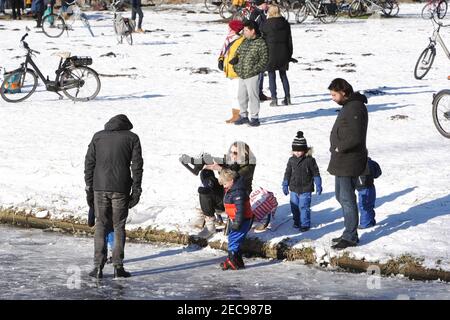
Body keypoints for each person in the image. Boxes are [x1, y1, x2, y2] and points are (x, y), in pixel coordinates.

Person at [84, 114, 143, 278]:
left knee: (101, 224)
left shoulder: (98, 137)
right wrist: (136, 190)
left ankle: (97, 268)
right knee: (118, 226)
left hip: (99, 187)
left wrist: (89, 187)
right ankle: (118, 267)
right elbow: (137, 166)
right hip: (121, 189)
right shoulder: (132, 138)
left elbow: (89, 163)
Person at [327, 78, 369, 250]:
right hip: (342, 160)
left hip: (349, 160)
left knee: (347, 198)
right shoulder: (349, 106)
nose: (332, 98)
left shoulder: (355, 107)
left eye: (334, 94)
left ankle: (351, 236)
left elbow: (355, 136)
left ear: (343, 92)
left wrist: (339, 147)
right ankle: (348, 232)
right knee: (340, 196)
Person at [193, 141, 256, 238]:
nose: (231, 155)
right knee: (205, 178)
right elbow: (219, 160)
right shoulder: (230, 159)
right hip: (224, 193)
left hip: (234, 199)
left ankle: (206, 213)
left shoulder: (249, 166)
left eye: (235, 153)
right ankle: (208, 221)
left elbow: (234, 177)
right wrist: (205, 161)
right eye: (231, 152)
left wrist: (220, 169)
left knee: (206, 191)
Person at [231, 19, 269, 127]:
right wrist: (235, 62)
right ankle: (243, 116)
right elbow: (238, 52)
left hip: (252, 75)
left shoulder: (261, 43)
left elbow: (264, 59)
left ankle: (255, 118)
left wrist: (255, 70)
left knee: (253, 97)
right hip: (242, 74)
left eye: (246, 30)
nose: (244, 32)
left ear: (253, 31)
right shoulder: (245, 41)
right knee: (241, 96)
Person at [282, 131, 322, 231]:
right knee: (294, 206)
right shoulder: (291, 160)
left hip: (306, 188)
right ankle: (297, 221)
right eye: (295, 150)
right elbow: (287, 173)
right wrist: (285, 184)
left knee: (304, 207)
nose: (297, 152)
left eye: (300, 150)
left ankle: (305, 224)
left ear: (305, 150)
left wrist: (318, 184)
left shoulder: (310, 160)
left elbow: (316, 173)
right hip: (294, 188)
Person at [218, 169, 254, 270]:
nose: (224, 186)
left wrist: (238, 222)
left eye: (225, 184)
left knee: (233, 239)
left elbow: (240, 209)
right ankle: (238, 261)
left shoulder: (238, 192)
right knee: (235, 239)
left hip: (243, 220)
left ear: (231, 180)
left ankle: (232, 260)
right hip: (237, 219)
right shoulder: (231, 190)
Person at [261, 5, 292, 107]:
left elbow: (262, 40)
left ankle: (274, 99)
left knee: (271, 75)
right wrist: (289, 54)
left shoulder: (266, 24)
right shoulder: (285, 23)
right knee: (283, 75)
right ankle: (287, 98)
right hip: (283, 51)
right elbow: (289, 40)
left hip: (271, 52)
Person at [218, 19, 245, 124]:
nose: (228, 29)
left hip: (237, 72)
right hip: (228, 71)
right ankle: (235, 115)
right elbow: (223, 51)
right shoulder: (228, 39)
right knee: (232, 94)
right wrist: (220, 60)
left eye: (230, 27)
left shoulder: (242, 39)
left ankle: (241, 115)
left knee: (238, 94)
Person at [249, 0, 270, 102]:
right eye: (266, 2)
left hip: (261, 44)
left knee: (261, 71)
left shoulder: (261, 13)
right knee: (259, 71)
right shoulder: (256, 14)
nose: (268, 4)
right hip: (258, 45)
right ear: (261, 4)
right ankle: (257, 93)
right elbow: (252, 30)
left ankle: (258, 92)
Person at [356, 157, 381, 229]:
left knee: (364, 206)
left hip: (364, 187)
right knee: (369, 205)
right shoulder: (371, 162)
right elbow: (378, 173)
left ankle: (365, 223)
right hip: (370, 186)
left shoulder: (357, 163)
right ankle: (371, 221)